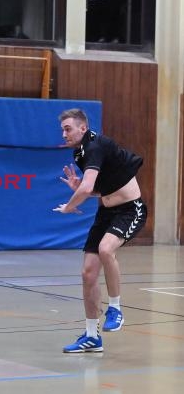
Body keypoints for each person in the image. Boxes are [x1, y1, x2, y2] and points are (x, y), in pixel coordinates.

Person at [53, 108, 147, 353]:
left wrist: (69, 206)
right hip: (105, 213)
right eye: (62, 129)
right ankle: (92, 336)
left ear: (83, 128)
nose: (64, 134)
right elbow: (97, 189)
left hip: (129, 210)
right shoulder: (80, 153)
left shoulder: (95, 146)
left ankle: (115, 308)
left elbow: (85, 190)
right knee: (87, 274)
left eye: (68, 128)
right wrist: (83, 187)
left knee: (106, 249)